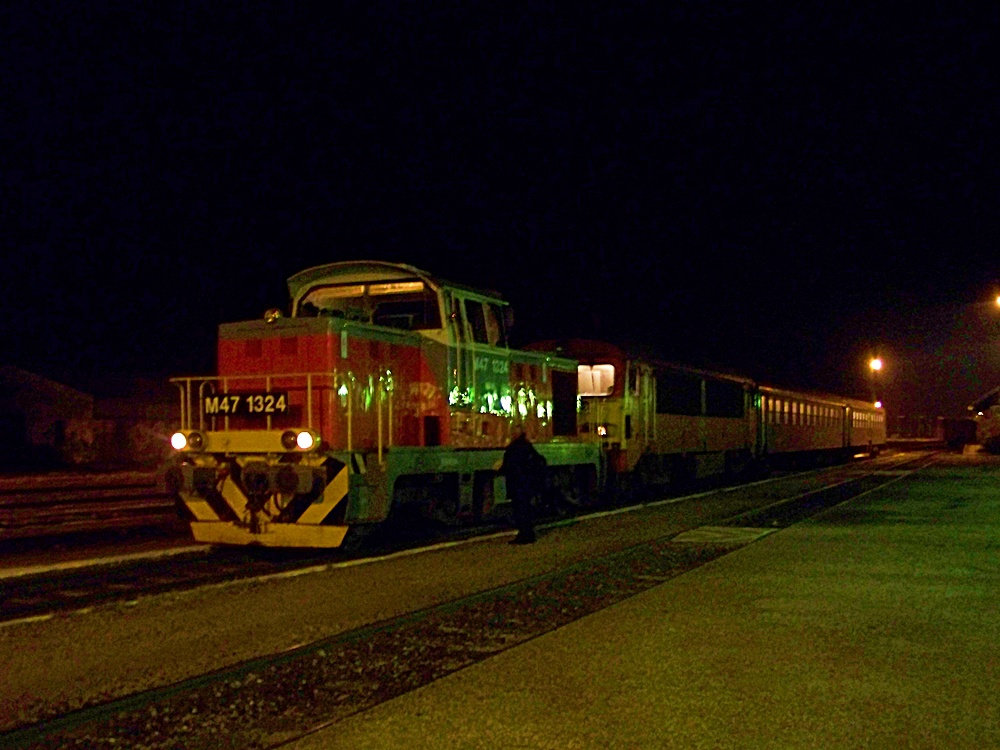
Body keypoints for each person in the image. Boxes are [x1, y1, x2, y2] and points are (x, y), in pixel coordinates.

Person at [499, 429, 546, 544]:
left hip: (518, 484)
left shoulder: (515, 448)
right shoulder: (527, 446)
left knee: (520, 510)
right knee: (525, 509)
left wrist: (500, 469)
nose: (511, 434)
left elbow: (510, 465)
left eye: (513, 433)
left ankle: (524, 535)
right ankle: (528, 534)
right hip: (526, 483)